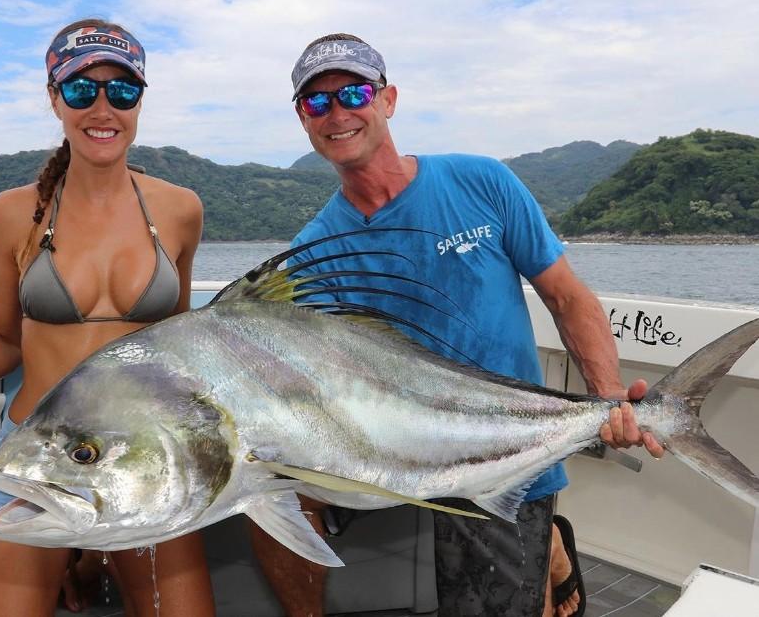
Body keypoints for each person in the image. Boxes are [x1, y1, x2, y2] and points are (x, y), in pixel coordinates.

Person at [250, 33, 665, 617]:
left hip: (503, 440)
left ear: (388, 99)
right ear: (303, 119)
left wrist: (610, 398)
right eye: (317, 102)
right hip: (392, 444)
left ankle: (546, 545)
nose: (337, 113)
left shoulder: (482, 182)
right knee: (268, 491)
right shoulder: (315, 252)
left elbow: (566, 297)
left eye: (354, 93)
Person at [0, 18, 214, 617]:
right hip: (36, 454)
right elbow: (4, 340)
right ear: (54, 97)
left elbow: (181, 345)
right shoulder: (13, 213)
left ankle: (92, 560)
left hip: (145, 453)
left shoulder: (180, 210)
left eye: (123, 90)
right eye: (81, 89)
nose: (103, 108)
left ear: (140, 100)